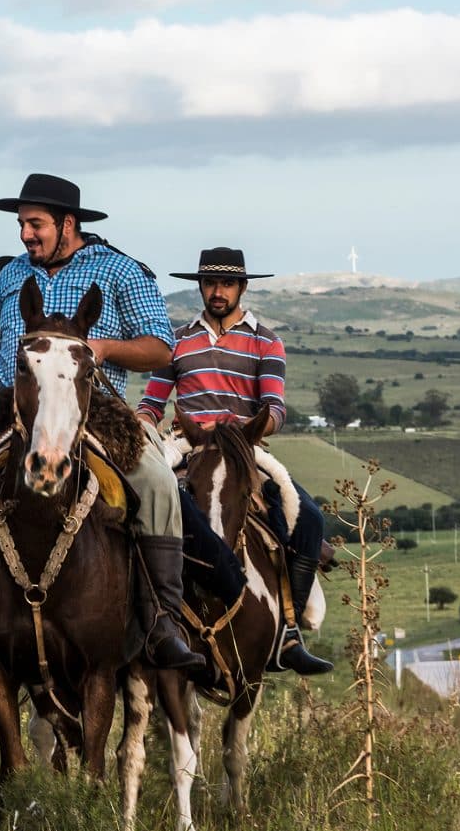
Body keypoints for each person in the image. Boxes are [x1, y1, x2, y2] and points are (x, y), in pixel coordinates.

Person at [0, 174, 206, 674]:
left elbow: (160, 348)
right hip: (18, 406)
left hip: (96, 406)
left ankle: (162, 621)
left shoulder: (120, 271)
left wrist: (101, 348)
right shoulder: (13, 275)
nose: (25, 235)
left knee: (159, 483)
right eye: (21, 225)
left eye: (34, 224)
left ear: (67, 224)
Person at [140, 247, 333, 676]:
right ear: (200, 287)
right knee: (141, 502)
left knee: (311, 519)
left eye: (226, 283)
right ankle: (145, 617)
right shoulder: (177, 339)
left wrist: (245, 429)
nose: (217, 291)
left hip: (245, 447)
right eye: (210, 283)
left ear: (241, 287)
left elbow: (275, 410)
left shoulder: (266, 340)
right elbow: (152, 403)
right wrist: (140, 422)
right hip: (185, 445)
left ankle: (288, 632)